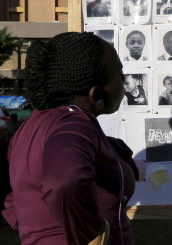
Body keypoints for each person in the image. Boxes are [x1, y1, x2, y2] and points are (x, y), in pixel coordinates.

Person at [2, 32, 137, 244]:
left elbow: (15, 197)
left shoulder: (29, 128)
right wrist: (91, 234)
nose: (124, 79)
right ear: (96, 95)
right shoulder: (75, 125)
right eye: (119, 74)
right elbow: (64, 181)